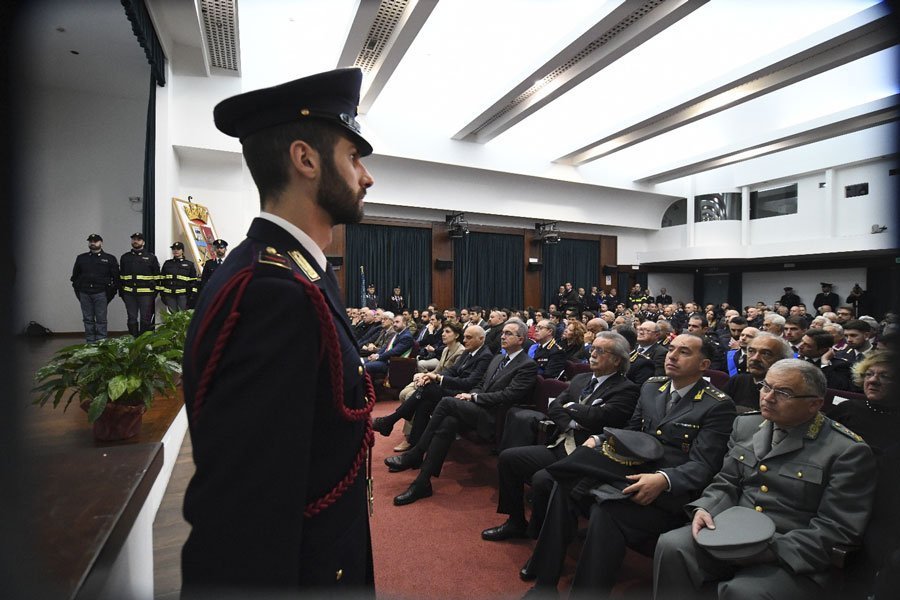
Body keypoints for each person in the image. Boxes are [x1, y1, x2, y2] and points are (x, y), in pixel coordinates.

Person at [181, 68, 376, 595]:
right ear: (306, 159)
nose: (366, 176)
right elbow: (244, 515)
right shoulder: (274, 293)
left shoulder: (299, 272)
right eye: (353, 157)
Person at [520, 334, 736, 597]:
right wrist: (600, 438)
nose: (672, 356)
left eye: (684, 352)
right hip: (629, 470)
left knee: (605, 510)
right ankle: (545, 583)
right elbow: (631, 431)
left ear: (704, 365)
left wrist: (663, 480)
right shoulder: (651, 386)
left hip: (667, 491)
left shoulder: (718, 405)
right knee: (563, 484)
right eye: (670, 350)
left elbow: (704, 466)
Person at [653, 359, 876, 600]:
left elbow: (837, 529)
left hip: (791, 553)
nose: (768, 397)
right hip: (731, 533)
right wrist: (706, 507)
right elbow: (726, 481)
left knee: (743, 592)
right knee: (672, 545)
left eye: (784, 393)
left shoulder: (845, 450)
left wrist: (770, 551)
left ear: (814, 404)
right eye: (766, 387)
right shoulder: (747, 424)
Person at [482, 332, 640, 542]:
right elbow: (555, 406)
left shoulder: (627, 389)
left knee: (541, 480)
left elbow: (598, 417)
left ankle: (542, 536)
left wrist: (572, 408)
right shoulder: (581, 379)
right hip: (562, 444)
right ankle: (516, 522)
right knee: (509, 458)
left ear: (617, 359)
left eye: (600, 351)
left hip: (588, 456)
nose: (592, 354)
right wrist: (572, 420)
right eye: (592, 348)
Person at [385, 320, 538, 506]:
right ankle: (422, 483)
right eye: (503, 333)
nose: (502, 336)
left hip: (494, 417)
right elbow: (482, 385)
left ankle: (416, 452)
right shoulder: (498, 358)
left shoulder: (527, 365)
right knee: (448, 422)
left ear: (521, 339)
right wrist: (471, 395)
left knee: (447, 402)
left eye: (508, 333)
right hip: (478, 408)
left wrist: (474, 398)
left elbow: (509, 395)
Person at [372, 325, 493, 450]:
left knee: (428, 389)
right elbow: (452, 370)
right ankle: (414, 444)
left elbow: (469, 383)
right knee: (425, 402)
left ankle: (390, 421)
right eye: (465, 337)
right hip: (454, 387)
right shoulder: (469, 351)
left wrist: (438, 379)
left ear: (481, 339)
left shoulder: (485, 355)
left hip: (464, 395)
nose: (464, 340)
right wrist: (433, 376)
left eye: (469, 338)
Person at [722, 332, 792, 411]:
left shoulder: (787, 390)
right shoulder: (737, 381)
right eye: (751, 351)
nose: (755, 358)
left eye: (766, 353)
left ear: (782, 359)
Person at [71, 233, 119, 342]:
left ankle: (102, 343)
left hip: (101, 293)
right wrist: (79, 290)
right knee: (88, 319)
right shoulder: (81, 258)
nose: (93, 243)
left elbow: (116, 278)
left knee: (101, 320)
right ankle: (90, 343)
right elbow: (75, 277)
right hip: (85, 293)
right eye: (90, 241)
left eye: (95, 241)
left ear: (101, 243)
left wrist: (109, 294)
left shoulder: (109, 258)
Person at [119, 232, 160, 336]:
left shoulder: (151, 257)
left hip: (146, 294)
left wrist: (154, 291)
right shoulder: (125, 257)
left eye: (138, 239)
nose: (135, 241)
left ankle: (144, 343)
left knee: (145, 319)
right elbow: (121, 276)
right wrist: (122, 292)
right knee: (131, 318)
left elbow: (157, 276)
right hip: (129, 294)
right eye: (133, 239)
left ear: (143, 242)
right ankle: (133, 342)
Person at [158, 241, 198, 312]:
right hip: (169, 295)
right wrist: (162, 294)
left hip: (183, 295)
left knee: (183, 316)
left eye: (178, 249)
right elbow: (162, 279)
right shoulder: (167, 263)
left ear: (182, 251)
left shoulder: (189, 264)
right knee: (173, 316)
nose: (175, 250)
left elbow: (193, 281)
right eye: (174, 249)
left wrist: (192, 295)